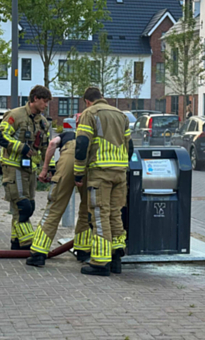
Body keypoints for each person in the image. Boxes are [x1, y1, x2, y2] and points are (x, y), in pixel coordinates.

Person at [75, 86, 132, 276]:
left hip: (100, 172)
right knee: (115, 214)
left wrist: (78, 173)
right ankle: (116, 259)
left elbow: (82, 144)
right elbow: (129, 146)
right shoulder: (121, 115)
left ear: (87, 101)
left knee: (99, 215)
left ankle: (100, 263)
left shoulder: (89, 113)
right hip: (120, 173)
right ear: (102, 98)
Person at [27, 114, 91, 267]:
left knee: (54, 207)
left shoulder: (68, 134)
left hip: (67, 162)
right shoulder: (92, 136)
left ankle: (38, 253)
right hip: (89, 164)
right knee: (86, 208)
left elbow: (52, 144)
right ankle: (83, 251)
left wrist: (45, 169)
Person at [0, 86, 52, 250]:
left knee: (27, 206)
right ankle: (28, 243)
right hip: (13, 167)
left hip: (30, 170)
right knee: (23, 207)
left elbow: (46, 147)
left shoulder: (42, 122)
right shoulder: (15, 115)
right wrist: (22, 148)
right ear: (35, 99)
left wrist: (49, 168)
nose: (46, 105)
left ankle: (16, 242)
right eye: (44, 101)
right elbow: (2, 136)